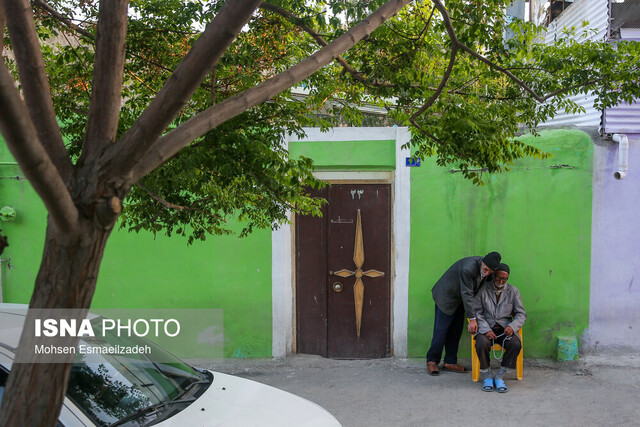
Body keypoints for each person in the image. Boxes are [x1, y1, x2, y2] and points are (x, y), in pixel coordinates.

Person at [426, 251, 501, 376]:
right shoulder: (468, 268)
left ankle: (450, 362)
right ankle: (432, 361)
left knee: (456, 330)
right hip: (446, 297)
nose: (487, 273)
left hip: (461, 301)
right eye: (485, 269)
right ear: (482, 262)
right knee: (441, 330)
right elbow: (467, 294)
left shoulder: (489, 271)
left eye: (490, 272)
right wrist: (472, 319)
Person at [473, 263, 526, 393]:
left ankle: (500, 375)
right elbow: (476, 313)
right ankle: (488, 375)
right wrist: (485, 329)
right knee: (481, 343)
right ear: (494, 275)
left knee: (515, 343)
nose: (501, 281)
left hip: (505, 329)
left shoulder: (513, 291)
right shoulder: (483, 289)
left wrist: (512, 327)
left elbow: (521, 314)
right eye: (498, 278)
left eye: (504, 279)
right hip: (486, 328)